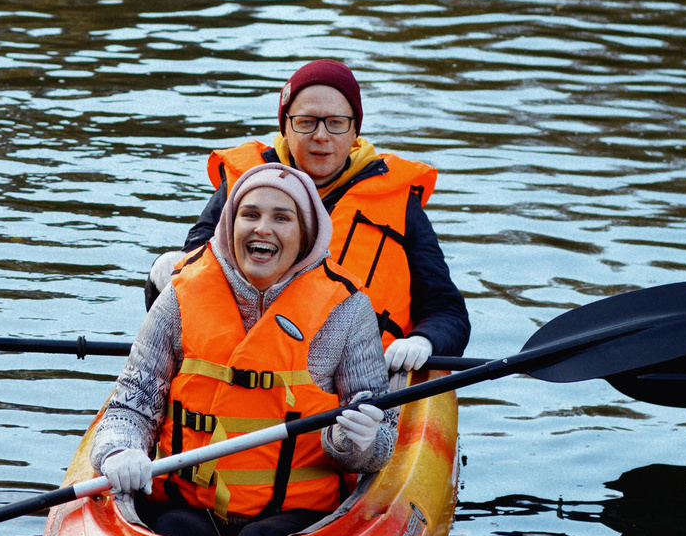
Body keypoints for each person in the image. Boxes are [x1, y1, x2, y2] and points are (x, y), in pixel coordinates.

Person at [95, 163, 394, 536]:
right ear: (230, 224)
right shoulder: (180, 294)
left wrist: (355, 443)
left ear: (305, 234)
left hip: (295, 520)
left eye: (281, 218)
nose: (262, 229)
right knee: (176, 530)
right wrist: (120, 451)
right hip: (184, 507)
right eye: (249, 215)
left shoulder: (347, 309)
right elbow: (130, 404)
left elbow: (382, 439)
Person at [153, 59, 469, 375]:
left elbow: (447, 312)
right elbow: (186, 279)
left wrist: (423, 342)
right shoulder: (240, 186)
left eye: (336, 122)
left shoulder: (401, 204)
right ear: (285, 127)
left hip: (363, 380)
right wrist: (166, 269)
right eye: (306, 122)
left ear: (354, 130)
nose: (321, 136)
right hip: (240, 373)